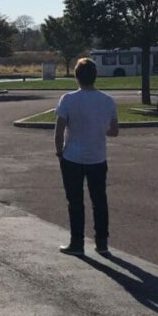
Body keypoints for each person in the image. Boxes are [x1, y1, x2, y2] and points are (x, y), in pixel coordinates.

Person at [54, 57, 118, 256]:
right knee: (99, 200)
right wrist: (99, 129)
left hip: (72, 157)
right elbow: (114, 131)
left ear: (76, 76)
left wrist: (59, 151)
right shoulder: (107, 101)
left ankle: (77, 242)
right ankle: (102, 242)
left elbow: (59, 130)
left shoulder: (68, 99)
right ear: (95, 76)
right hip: (97, 157)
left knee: (75, 201)